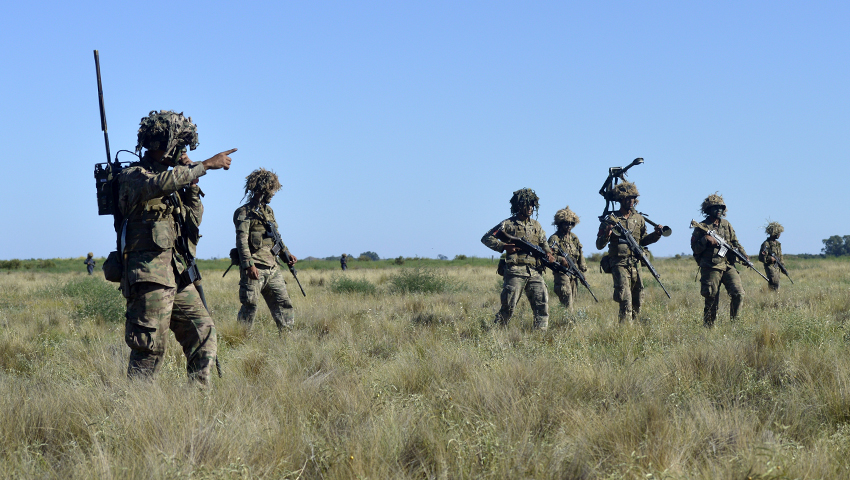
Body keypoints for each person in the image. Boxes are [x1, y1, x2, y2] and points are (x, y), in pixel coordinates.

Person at [118, 110, 235, 385]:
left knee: (203, 332)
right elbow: (160, 183)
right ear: (164, 145)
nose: (182, 151)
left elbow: (193, 221)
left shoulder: (175, 181)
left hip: (176, 274)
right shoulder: (134, 176)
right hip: (150, 278)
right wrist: (205, 165)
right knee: (149, 350)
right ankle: (133, 411)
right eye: (179, 145)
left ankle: (196, 403)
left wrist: (193, 183)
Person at [233, 168, 297, 333]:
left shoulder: (269, 212)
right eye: (271, 189)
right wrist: (248, 265)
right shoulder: (244, 212)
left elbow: (276, 238)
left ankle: (288, 342)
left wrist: (286, 255)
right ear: (262, 189)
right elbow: (241, 241)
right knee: (250, 306)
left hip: (273, 268)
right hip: (255, 269)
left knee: (284, 304)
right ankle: (240, 338)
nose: (273, 194)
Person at [481, 188, 554, 330]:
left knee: (542, 306)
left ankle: (539, 337)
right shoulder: (508, 224)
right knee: (508, 307)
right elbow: (486, 238)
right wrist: (503, 246)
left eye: (532, 204)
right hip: (515, 271)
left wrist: (550, 255)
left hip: (535, 271)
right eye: (526, 204)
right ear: (518, 206)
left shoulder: (537, 226)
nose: (530, 208)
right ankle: (495, 335)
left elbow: (544, 245)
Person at [595, 181, 664, 323]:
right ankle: (624, 331)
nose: (631, 201)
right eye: (628, 198)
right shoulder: (611, 219)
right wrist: (607, 233)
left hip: (636, 265)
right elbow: (599, 245)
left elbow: (643, 241)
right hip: (619, 264)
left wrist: (656, 234)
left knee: (638, 299)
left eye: (633, 198)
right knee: (625, 299)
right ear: (621, 199)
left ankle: (632, 330)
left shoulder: (639, 219)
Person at [690, 193, 746, 327]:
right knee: (711, 298)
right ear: (708, 210)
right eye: (716, 207)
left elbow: (735, 242)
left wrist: (744, 256)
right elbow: (695, 249)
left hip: (728, 265)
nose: (719, 210)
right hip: (711, 266)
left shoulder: (727, 225)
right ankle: (708, 328)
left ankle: (735, 325)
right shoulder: (701, 227)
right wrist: (705, 240)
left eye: (721, 207)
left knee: (739, 293)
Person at [548, 206, 587, 310]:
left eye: (571, 223)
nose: (569, 226)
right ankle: (568, 323)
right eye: (566, 223)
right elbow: (548, 255)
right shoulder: (555, 238)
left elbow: (579, 254)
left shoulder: (574, 238)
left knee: (572, 300)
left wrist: (581, 272)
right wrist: (561, 260)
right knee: (567, 299)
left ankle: (566, 321)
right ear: (560, 223)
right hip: (562, 272)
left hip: (573, 273)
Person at [758, 222, 784, 292]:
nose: (779, 234)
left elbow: (780, 255)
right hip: (770, 267)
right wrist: (770, 259)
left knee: (777, 284)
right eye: (778, 233)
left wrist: (783, 267)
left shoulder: (778, 244)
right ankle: (771, 298)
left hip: (777, 267)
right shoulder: (766, 244)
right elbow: (761, 257)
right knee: (773, 283)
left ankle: (775, 298)